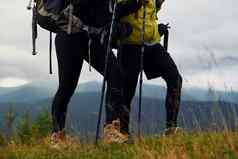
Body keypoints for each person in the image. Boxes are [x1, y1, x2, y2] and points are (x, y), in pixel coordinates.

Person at [50, 0, 143, 143]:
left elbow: (110, 11)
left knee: (116, 74)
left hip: (93, 37)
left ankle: (111, 130)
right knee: (67, 87)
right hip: (69, 34)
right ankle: (57, 136)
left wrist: (136, 4)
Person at [116, 0, 183, 136]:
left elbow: (150, 13)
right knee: (127, 91)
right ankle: (122, 133)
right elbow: (117, 10)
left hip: (152, 42)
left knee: (175, 79)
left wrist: (157, 23)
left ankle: (171, 128)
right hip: (130, 44)